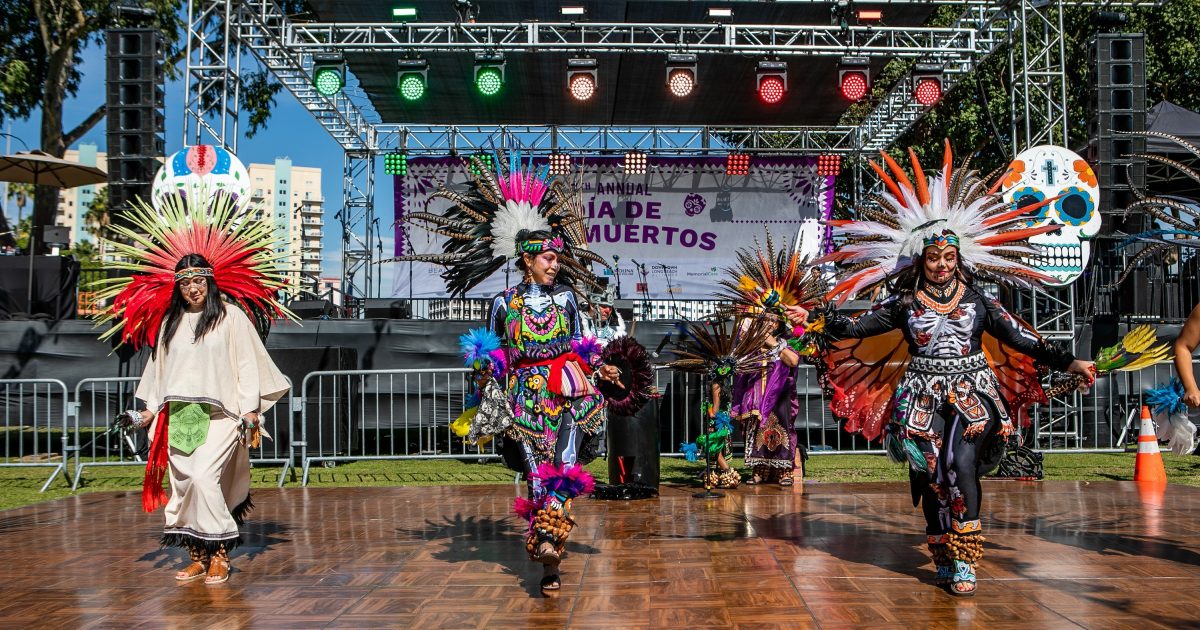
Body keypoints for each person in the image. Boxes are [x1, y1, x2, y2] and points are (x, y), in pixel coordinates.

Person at [806, 144, 1095, 596]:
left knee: (960, 463)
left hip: (972, 391)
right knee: (927, 471)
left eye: (948, 257)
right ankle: (940, 546)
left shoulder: (980, 302)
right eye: (933, 257)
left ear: (959, 257)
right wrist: (820, 321)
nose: (941, 265)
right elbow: (857, 328)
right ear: (921, 259)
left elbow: (1021, 339)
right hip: (919, 395)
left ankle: (965, 557)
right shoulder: (902, 305)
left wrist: (1070, 360)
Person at [390, 155, 620, 596]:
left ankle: (552, 545)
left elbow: (577, 343)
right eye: (548, 258)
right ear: (528, 260)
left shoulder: (568, 300)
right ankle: (547, 554)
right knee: (535, 476)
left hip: (567, 392)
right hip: (522, 400)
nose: (555, 264)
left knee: (566, 466)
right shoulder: (503, 304)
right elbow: (493, 354)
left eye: (557, 258)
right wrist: (484, 374)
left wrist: (597, 364)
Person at [96, 192, 292, 585]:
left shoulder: (231, 318)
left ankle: (221, 552)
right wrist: (148, 410)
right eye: (186, 284)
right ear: (178, 287)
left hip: (223, 417)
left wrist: (252, 410)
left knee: (205, 479)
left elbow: (246, 364)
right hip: (181, 416)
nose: (193, 289)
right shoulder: (170, 323)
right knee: (184, 487)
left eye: (199, 281)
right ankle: (197, 555)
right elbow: (159, 371)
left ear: (210, 282)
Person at [733, 306, 809, 486]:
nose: (769, 323)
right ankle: (759, 470)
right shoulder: (753, 341)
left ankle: (784, 471)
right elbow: (740, 362)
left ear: (779, 322)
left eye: (773, 320)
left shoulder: (787, 339)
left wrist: (773, 344)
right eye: (766, 319)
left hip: (781, 394)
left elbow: (793, 360)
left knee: (782, 429)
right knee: (757, 430)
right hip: (757, 394)